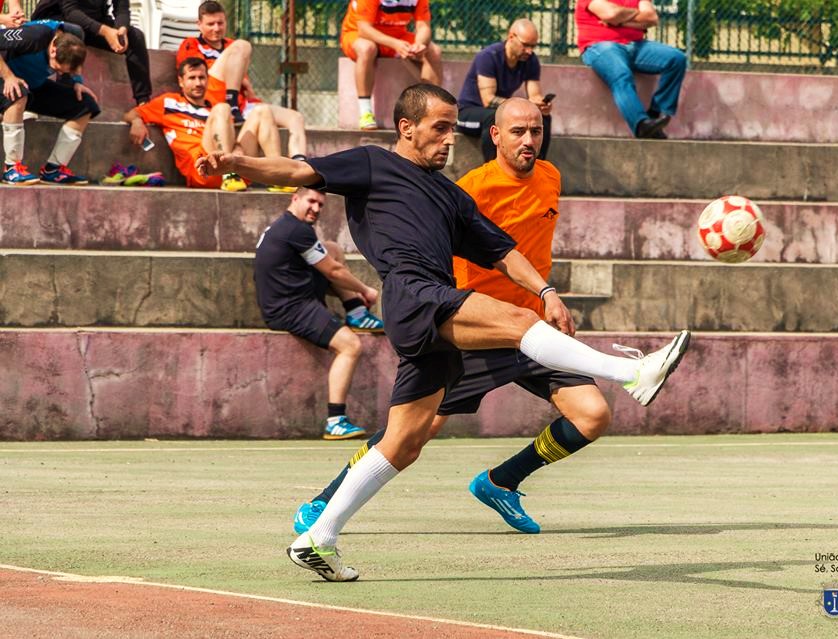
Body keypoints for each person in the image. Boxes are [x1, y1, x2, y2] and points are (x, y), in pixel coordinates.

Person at [195, 83, 690, 582]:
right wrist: (239, 163)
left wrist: (545, 291)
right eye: (440, 127)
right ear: (407, 128)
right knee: (520, 324)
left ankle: (319, 537)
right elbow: (298, 170)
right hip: (413, 293)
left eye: (453, 127)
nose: (450, 138)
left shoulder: (451, 195)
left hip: (432, 308)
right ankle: (633, 372)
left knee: (405, 441)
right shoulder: (372, 163)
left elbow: (502, 251)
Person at [293, 97, 613, 536]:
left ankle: (502, 482)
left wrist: (547, 294)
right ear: (495, 136)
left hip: (531, 327)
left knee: (593, 415)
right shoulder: (469, 188)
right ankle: (325, 501)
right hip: (475, 327)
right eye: (518, 132)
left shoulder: (551, 176)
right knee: (410, 435)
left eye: (536, 131)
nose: (529, 141)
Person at [256, 187, 385, 441]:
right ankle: (335, 420)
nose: (315, 208)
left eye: (320, 205)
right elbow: (333, 273)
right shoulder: (297, 230)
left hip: (292, 297)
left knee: (332, 249)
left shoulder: (287, 226)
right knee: (350, 345)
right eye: (311, 201)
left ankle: (356, 314)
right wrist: (365, 290)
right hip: (291, 308)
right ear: (295, 198)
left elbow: (329, 263)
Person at [123, 57, 288, 192]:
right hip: (203, 169)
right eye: (192, 78)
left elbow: (228, 139)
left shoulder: (214, 107)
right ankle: (228, 174)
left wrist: (237, 148)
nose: (198, 83)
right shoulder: (169, 103)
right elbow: (131, 113)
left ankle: (278, 176)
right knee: (223, 108)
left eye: (202, 78)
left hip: (236, 170)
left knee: (263, 111)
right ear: (181, 81)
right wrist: (137, 122)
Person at [177, 0, 307, 161]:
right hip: (213, 96)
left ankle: (299, 161)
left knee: (295, 118)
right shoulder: (191, 44)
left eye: (220, 23)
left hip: (241, 102)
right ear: (199, 24)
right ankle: (231, 104)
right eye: (210, 24)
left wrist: (250, 94)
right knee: (243, 45)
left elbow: (243, 81)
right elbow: (195, 74)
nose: (216, 28)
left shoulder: (230, 45)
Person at [1, 21, 98, 185]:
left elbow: (72, 64)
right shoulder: (33, 36)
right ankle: (11, 168)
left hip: (32, 84)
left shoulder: (76, 37)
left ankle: (53, 170)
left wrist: (76, 82)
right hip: (6, 77)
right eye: (58, 69)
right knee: (17, 92)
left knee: (85, 105)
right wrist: (8, 76)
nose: (59, 73)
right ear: (53, 50)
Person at [575, 0, 686, 139]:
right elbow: (611, 13)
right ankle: (641, 124)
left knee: (676, 59)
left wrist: (619, 21)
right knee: (622, 74)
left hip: (636, 45)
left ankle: (655, 114)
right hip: (600, 45)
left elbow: (651, 17)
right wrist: (635, 15)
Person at [457, 19, 552, 162]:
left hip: (497, 112)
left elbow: (535, 95)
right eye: (525, 45)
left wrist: (541, 105)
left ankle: (538, 166)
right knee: (493, 117)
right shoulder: (488, 56)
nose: (529, 51)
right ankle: (494, 170)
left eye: (533, 46)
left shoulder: (530, 60)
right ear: (511, 37)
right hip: (468, 113)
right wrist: (520, 105)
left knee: (540, 117)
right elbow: (488, 100)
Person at [340, 0, 441, 130]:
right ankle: (365, 112)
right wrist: (395, 44)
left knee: (433, 51)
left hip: (396, 36)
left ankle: (430, 111)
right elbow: (364, 29)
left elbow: (423, 27)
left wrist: (419, 44)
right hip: (357, 34)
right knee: (367, 49)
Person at [32, 0, 152, 106]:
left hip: (93, 21)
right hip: (58, 17)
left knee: (136, 36)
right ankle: (67, 90)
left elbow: (122, 9)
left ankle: (143, 102)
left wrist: (122, 29)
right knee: (73, 31)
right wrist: (104, 31)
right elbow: (70, 11)